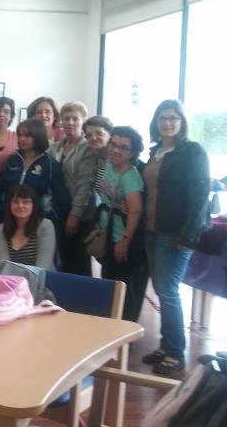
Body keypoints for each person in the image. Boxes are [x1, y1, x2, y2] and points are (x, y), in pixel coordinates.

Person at [141, 100, 210, 375]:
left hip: (174, 233)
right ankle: (165, 344)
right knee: (161, 289)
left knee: (167, 291)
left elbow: (200, 197)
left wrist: (189, 235)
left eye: (173, 118)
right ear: (156, 122)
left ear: (182, 122)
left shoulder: (192, 152)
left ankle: (175, 352)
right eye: (163, 118)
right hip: (151, 229)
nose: (168, 123)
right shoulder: (156, 152)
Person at [97, 127, 145, 323]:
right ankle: (111, 325)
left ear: (132, 153)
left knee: (123, 286)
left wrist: (124, 242)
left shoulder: (130, 177)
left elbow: (135, 211)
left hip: (122, 237)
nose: (116, 150)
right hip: (108, 233)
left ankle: (125, 330)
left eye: (124, 148)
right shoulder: (109, 165)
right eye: (114, 144)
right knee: (109, 280)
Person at [0, 119, 71, 229]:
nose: (22, 139)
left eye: (27, 136)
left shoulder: (50, 164)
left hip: (39, 221)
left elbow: (61, 196)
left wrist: (55, 220)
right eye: (20, 135)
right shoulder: (11, 160)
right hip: (9, 219)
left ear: (38, 136)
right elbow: (0, 189)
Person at [50, 101, 98, 277]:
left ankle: (82, 295)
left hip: (81, 215)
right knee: (63, 260)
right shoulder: (55, 147)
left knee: (79, 264)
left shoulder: (88, 148)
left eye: (75, 119)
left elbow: (85, 185)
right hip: (60, 211)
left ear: (83, 121)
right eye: (66, 118)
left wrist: (74, 215)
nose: (70, 122)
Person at [0, 185, 56, 270]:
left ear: (34, 205)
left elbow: (43, 268)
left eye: (26, 202)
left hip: (43, 277)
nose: (20, 206)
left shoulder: (45, 225)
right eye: (15, 202)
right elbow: (3, 265)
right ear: (9, 205)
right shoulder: (2, 228)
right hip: (12, 277)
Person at [83, 116, 114, 193]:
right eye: (89, 135)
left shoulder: (118, 161)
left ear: (110, 134)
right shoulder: (94, 158)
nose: (93, 138)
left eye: (99, 133)